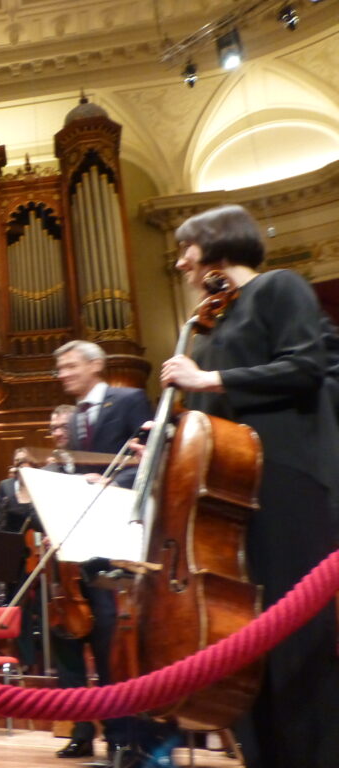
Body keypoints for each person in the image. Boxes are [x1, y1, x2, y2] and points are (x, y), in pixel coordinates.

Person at [160, 204, 339, 768]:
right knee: (246, 645)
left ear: (214, 244)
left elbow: (305, 366)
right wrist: (171, 433)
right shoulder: (212, 325)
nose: (181, 263)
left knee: (295, 638)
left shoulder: (278, 288)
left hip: (287, 482)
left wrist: (204, 378)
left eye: (185, 249)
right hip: (233, 496)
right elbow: (215, 415)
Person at [51, 342, 152, 763]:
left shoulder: (129, 400)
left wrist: (116, 483)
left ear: (96, 365)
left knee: (112, 641)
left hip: (119, 538)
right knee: (72, 637)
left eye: (70, 366)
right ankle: (85, 730)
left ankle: (124, 737)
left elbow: (152, 460)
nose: (62, 374)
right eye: (59, 368)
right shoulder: (73, 418)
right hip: (82, 543)